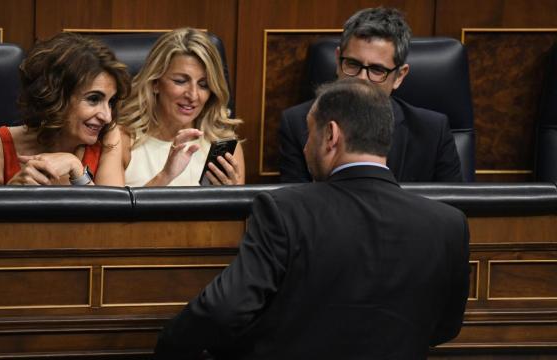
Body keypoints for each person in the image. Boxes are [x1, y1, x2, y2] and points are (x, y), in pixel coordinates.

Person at [154, 78, 470, 360]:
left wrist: (168, 348)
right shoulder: (448, 224)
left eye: (309, 132)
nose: (305, 147)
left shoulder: (285, 209)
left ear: (330, 135)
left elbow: (222, 310)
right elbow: (445, 328)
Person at [279, 7, 463, 183]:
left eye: (376, 70)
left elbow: (452, 209)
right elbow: (296, 206)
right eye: (352, 64)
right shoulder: (297, 123)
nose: (361, 79)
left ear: (399, 76)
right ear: (337, 60)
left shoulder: (432, 131)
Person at [0, 32, 131, 186]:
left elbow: (112, 213)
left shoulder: (108, 139)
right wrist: (13, 196)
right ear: (54, 96)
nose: (107, 117)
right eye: (93, 99)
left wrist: (77, 170)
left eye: (110, 102)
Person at [120, 28, 245, 186]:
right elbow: (112, 210)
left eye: (203, 85)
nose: (193, 95)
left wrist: (233, 201)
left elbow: (239, 211)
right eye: (180, 81)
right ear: (155, 83)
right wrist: (165, 176)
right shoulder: (122, 140)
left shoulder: (224, 145)